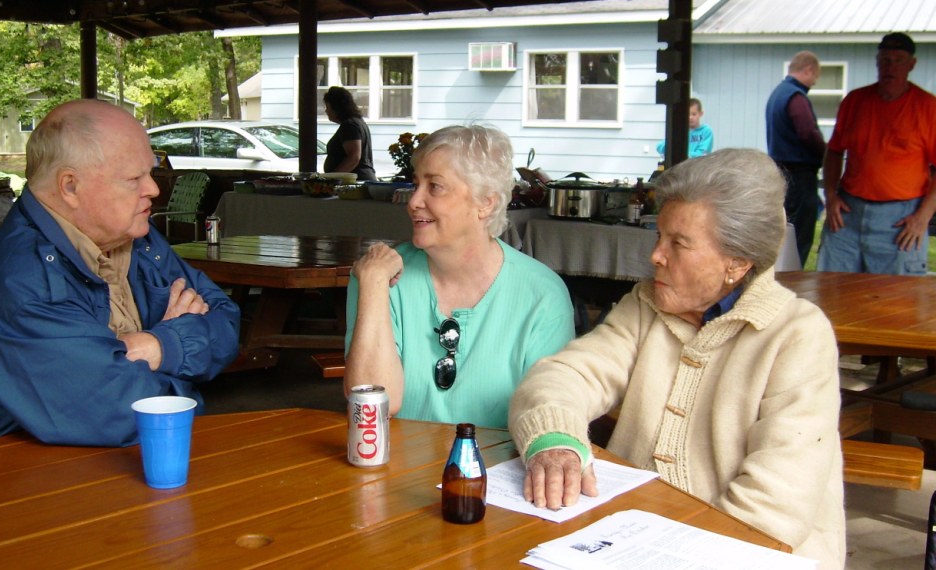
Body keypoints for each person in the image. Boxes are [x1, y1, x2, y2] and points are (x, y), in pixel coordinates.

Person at [509, 149, 845, 568]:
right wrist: (555, 439)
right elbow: (566, 376)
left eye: (678, 243)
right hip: (632, 540)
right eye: (659, 236)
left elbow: (774, 506)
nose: (655, 255)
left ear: (737, 262)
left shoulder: (798, 335)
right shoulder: (646, 305)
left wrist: (665, 552)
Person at [0, 99, 241, 448]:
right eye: (134, 178)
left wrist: (158, 346)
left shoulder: (136, 237)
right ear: (70, 187)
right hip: (25, 470)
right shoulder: (22, 282)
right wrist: (183, 366)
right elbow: (130, 412)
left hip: (125, 458)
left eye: (149, 173)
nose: (153, 189)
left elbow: (226, 320)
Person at [343, 125, 574, 429]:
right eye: (416, 185)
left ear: (486, 202)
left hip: (500, 459)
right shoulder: (379, 277)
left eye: (435, 187)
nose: (413, 201)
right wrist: (373, 285)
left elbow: (550, 416)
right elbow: (373, 410)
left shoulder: (542, 295)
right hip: (398, 458)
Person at [819, 32, 936, 275]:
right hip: (848, 214)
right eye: (885, 60)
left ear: (912, 64)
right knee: (832, 287)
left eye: (898, 60)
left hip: (901, 219)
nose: (890, 67)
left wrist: (923, 217)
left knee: (897, 295)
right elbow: (834, 151)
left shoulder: (928, 107)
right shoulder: (855, 101)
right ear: (877, 62)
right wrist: (830, 195)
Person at [766, 51, 828, 265]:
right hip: (799, 174)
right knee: (799, 235)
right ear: (808, 70)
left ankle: (780, 275)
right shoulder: (796, 97)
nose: (814, 82)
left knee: (784, 233)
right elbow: (807, 133)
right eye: (815, 76)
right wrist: (828, 154)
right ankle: (793, 277)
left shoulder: (778, 93)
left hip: (782, 173)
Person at [323, 86, 377, 181]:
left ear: (336, 108)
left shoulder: (349, 126)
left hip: (355, 182)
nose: (326, 111)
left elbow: (354, 157)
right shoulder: (357, 123)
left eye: (328, 107)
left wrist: (332, 179)